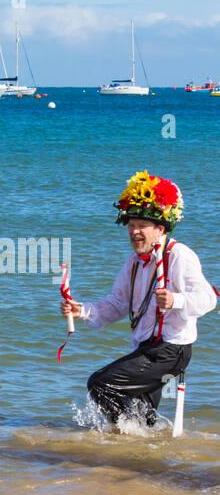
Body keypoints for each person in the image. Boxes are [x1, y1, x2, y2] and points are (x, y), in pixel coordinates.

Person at [61, 171, 216, 426]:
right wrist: (83, 310)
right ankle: (142, 449)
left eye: (141, 226)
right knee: (142, 414)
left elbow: (208, 298)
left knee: (101, 383)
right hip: (145, 347)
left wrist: (176, 301)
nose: (134, 232)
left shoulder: (179, 256)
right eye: (131, 226)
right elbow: (118, 303)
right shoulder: (133, 264)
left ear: (160, 228)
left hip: (171, 349)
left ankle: (126, 435)